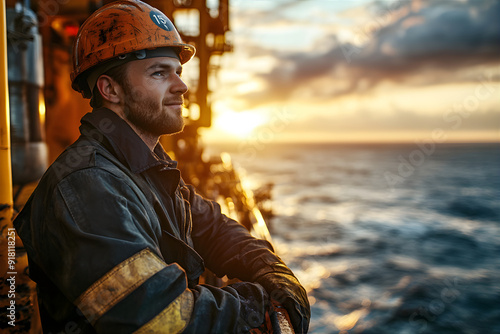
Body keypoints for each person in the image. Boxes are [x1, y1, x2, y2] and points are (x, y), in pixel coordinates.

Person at [13, 1, 310, 333]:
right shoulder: (86, 186)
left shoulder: (145, 167)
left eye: (178, 72)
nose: (181, 86)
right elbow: (155, 318)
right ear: (110, 89)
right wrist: (260, 307)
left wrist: (272, 272)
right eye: (159, 73)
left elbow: (211, 228)